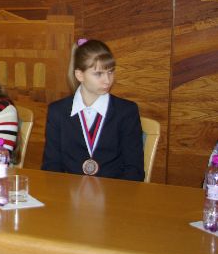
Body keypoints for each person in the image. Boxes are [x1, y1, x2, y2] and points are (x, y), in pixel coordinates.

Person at [41, 39, 144, 181]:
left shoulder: (126, 111)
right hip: (69, 191)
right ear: (80, 75)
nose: (107, 80)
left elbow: (134, 170)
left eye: (110, 72)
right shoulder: (57, 111)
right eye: (98, 74)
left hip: (114, 191)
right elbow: (51, 166)